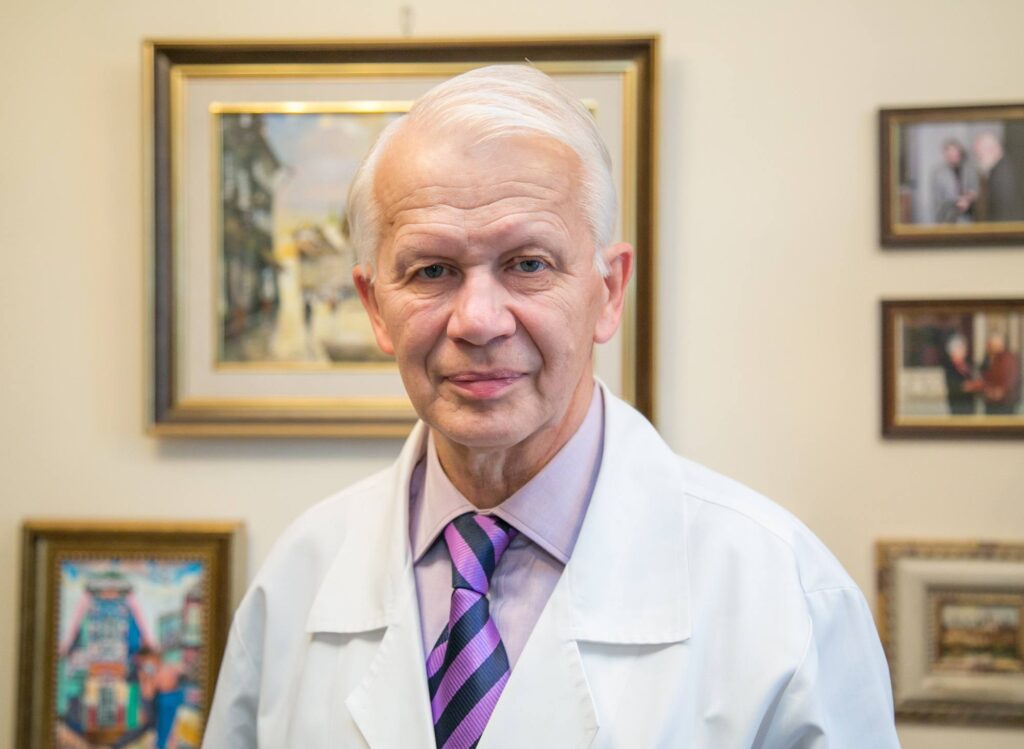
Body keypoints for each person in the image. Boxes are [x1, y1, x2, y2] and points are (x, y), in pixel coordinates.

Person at [202, 65, 899, 748]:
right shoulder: (296, 580)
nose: (478, 321)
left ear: (609, 291)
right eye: (432, 271)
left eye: (528, 264)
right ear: (375, 307)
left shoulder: (783, 595)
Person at [972, 131, 1024, 222]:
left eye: (979, 155)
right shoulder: (998, 168)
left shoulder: (1003, 173)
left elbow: (1002, 208)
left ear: (991, 150)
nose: (978, 160)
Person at [930, 139, 977, 223]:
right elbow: (938, 200)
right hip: (947, 218)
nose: (952, 155)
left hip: (968, 217)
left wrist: (967, 199)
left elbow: (975, 189)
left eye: (955, 151)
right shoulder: (938, 173)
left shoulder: (970, 169)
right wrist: (957, 202)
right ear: (945, 154)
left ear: (959, 152)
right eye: (949, 152)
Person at [977, 332, 1022, 415]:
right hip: (992, 401)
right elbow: (984, 375)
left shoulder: (1008, 359)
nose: (989, 347)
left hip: (1004, 403)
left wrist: (999, 391)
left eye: (991, 345)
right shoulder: (989, 358)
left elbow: (1010, 379)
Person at [942, 332, 978, 414]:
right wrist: (972, 385)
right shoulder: (949, 367)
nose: (964, 351)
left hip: (970, 405)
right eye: (961, 348)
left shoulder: (968, 364)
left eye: (964, 348)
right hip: (958, 406)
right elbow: (956, 386)